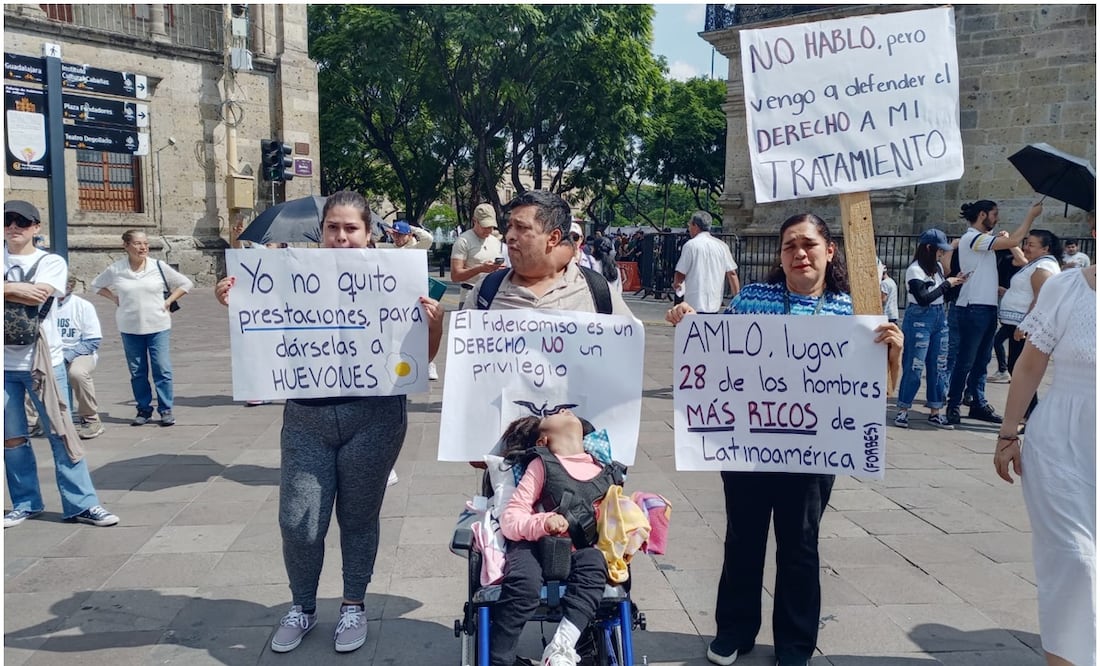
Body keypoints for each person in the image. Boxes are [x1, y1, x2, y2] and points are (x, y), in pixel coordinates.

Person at [666, 213, 902, 666]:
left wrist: (894, 350)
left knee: (800, 546)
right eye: (790, 245)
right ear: (780, 254)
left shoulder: (852, 310)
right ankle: (734, 630)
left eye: (809, 244)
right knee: (742, 539)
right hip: (749, 447)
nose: (800, 253)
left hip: (813, 453)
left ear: (830, 250)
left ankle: (795, 644)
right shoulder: (754, 297)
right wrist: (690, 320)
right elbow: (718, 350)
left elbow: (879, 387)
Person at [215, 190, 444, 654]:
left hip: (375, 418)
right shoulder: (290, 277)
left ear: (369, 234)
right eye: (333, 228)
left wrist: (433, 322)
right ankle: (302, 606)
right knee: (298, 522)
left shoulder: (396, 281)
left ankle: (353, 605)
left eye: (351, 229)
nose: (342, 238)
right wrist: (235, 302)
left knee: (358, 518)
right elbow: (264, 331)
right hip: (306, 418)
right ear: (321, 233)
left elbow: (423, 356)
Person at [994, 262, 1095, 666]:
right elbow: (1031, 364)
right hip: (1061, 444)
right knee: (1075, 563)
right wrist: (1007, 433)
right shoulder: (1065, 289)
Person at [4, 200, 119, 529]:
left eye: (21, 222)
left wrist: (6, 288)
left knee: (62, 434)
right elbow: (28, 293)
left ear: (36, 228)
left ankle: (83, 503)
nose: (13, 227)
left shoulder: (50, 261)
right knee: (12, 438)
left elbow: (41, 295)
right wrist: (15, 288)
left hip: (44, 363)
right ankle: (25, 502)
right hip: (4, 365)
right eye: (7, 221)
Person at [494, 409, 624, 666]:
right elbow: (511, 519)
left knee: (595, 563)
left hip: (580, 549)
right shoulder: (541, 463)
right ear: (543, 441)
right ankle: (499, 658)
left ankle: (561, 647)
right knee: (524, 585)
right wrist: (543, 522)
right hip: (534, 545)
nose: (562, 409)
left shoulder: (606, 469)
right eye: (553, 414)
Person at [945, 200, 1042, 426]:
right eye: (994, 214)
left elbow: (1014, 251)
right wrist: (1031, 215)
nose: (997, 218)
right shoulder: (972, 238)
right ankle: (953, 405)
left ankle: (978, 402)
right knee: (966, 360)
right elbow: (1015, 241)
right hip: (973, 306)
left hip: (986, 307)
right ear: (982, 215)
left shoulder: (981, 241)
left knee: (982, 360)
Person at [91, 230, 193, 426]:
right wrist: (113, 298)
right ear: (126, 246)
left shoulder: (158, 266)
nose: (143, 247)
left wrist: (169, 301)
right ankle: (144, 409)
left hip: (158, 325)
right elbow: (96, 285)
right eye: (137, 243)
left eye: (145, 243)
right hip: (129, 327)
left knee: (161, 368)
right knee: (137, 371)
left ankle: (165, 409)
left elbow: (185, 283)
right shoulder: (117, 269)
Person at [894, 229, 968, 429]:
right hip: (920, 317)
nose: (941, 254)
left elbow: (940, 295)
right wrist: (947, 284)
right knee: (915, 365)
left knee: (939, 366)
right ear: (929, 248)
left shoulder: (936, 268)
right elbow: (923, 298)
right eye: (939, 250)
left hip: (938, 318)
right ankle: (903, 409)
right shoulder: (915, 270)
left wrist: (955, 282)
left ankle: (935, 410)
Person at [997, 230, 1061, 430]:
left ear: (1045, 248)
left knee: (1021, 371)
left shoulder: (1043, 268)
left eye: (1031, 244)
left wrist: (1025, 325)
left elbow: (1040, 299)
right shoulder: (1036, 264)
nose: (1027, 247)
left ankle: (1031, 415)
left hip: (1023, 327)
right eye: (1027, 243)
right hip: (1016, 324)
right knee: (1016, 369)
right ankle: (1029, 415)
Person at [56, 276, 106, 439]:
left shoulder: (83, 306)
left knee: (77, 373)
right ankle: (31, 421)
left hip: (79, 352)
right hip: (50, 352)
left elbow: (92, 341)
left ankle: (91, 419)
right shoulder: (42, 305)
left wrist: (66, 357)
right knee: (30, 371)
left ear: (69, 287)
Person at [672, 211, 739, 314]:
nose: (689, 228)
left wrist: (677, 283)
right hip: (714, 304)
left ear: (696, 226)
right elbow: (732, 273)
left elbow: (681, 272)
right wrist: (737, 300)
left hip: (693, 305)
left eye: (690, 224)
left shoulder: (690, 245)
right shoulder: (722, 246)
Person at [451, 202, 505, 306]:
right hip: (470, 295)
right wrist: (480, 268)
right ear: (475, 221)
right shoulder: (463, 241)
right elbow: (455, 276)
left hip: (493, 295)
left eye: (491, 227)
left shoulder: (495, 241)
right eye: (485, 226)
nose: (489, 230)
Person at [878, 258, 899, 324]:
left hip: (887, 313)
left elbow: (883, 299)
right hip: (893, 313)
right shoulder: (891, 281)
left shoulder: (884, 283)